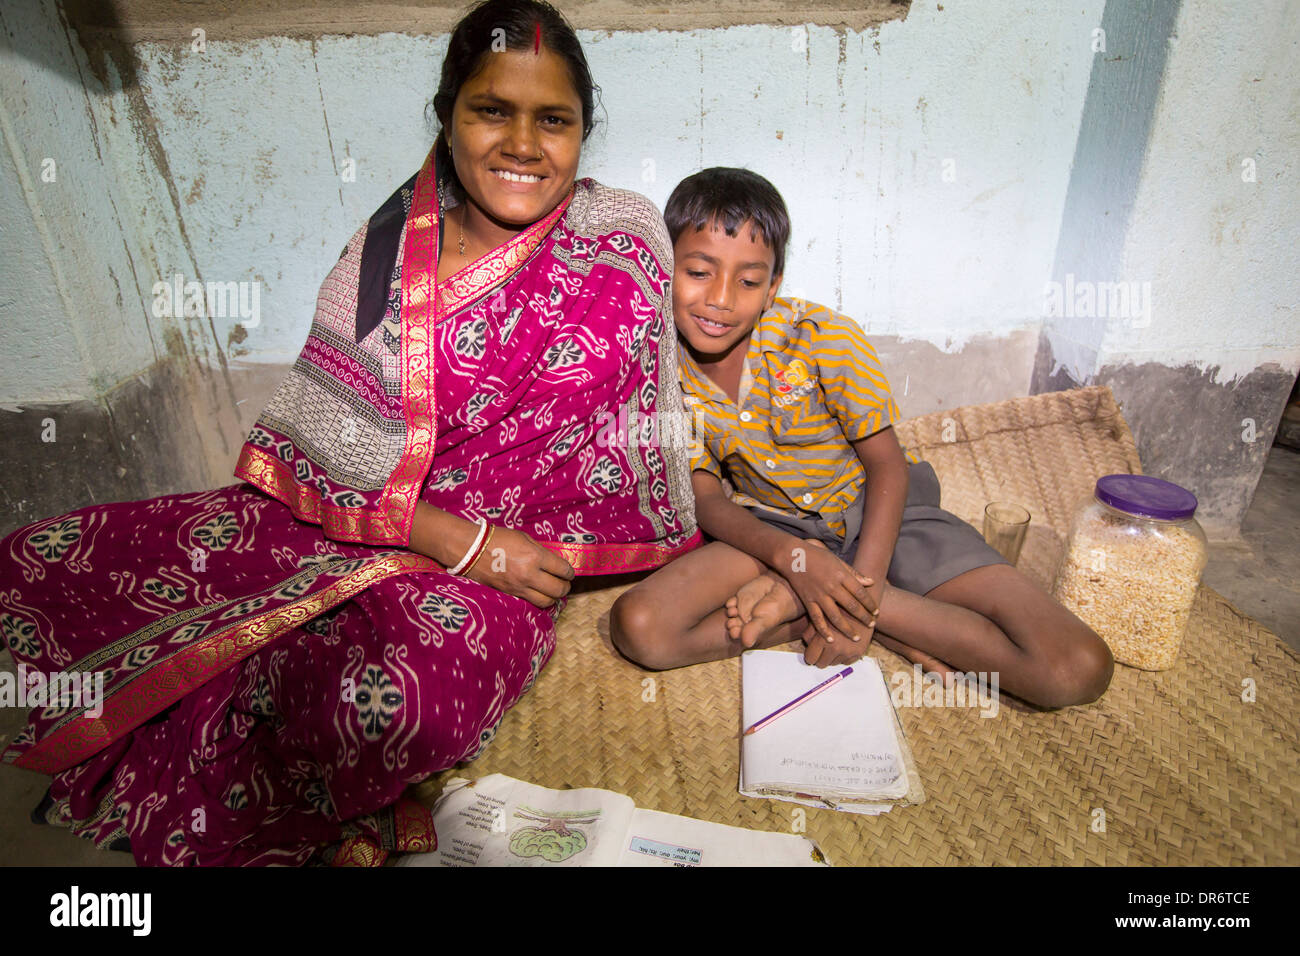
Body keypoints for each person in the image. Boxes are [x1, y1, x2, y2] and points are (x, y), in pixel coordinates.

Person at [0, 0, 698, 866]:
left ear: (583, 131)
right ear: (448, 117)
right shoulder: (383, 259)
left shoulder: (623, 239)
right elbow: (323, 449)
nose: (524, 144)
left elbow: (643, 433)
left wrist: (511, 555)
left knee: (396, 704)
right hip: (397, 522)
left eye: (553, 120)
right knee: (48, 556)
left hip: (501, 565)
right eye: (492, 110)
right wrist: (467, 541)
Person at [610, 167, 1113, 709]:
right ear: (666, 270)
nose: (721, 299)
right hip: (774, 530)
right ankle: (814, 600)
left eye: (749, 281)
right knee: (640, 627)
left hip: (883, 518)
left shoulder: (825, 339)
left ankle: (845, 605)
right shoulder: (662, 376)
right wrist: (796, 561)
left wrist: (863, 597)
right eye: (700, 272)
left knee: (1074, 668)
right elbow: (706, 497)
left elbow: (888, 467)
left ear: (774, 286)